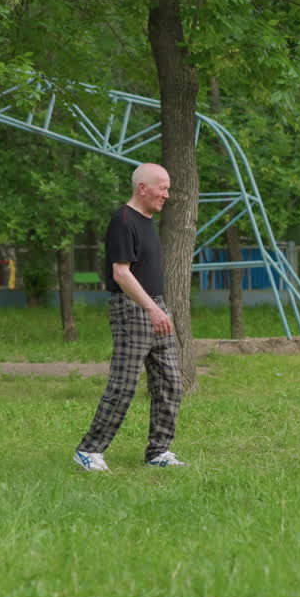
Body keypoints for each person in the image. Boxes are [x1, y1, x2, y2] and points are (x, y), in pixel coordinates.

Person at [74, 163, 186, 471]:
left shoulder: (148, 221)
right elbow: (121, 274)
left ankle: (158, 452)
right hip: (133, 309)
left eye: (168, 187)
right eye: (162, 187)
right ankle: (89, 450)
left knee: (171, 382)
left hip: (156, 307)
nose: (167, 194)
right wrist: (152, 308)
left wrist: (159, 308)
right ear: (142, 188)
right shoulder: (123, 220)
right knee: (124, 384)